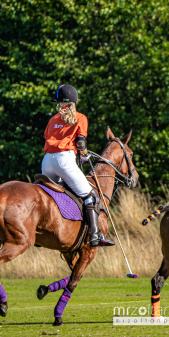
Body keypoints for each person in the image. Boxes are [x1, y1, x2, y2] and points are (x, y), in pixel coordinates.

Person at [42, 84, 114, 247]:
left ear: (60, 103)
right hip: (64, 161)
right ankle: (95, 236)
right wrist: (84, 154)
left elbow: (47, 137)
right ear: (74, 102)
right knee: (90, 197)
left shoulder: (53, 119)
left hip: (47, 161)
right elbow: (80, 142)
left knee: (51, 196)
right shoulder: (80, 118)